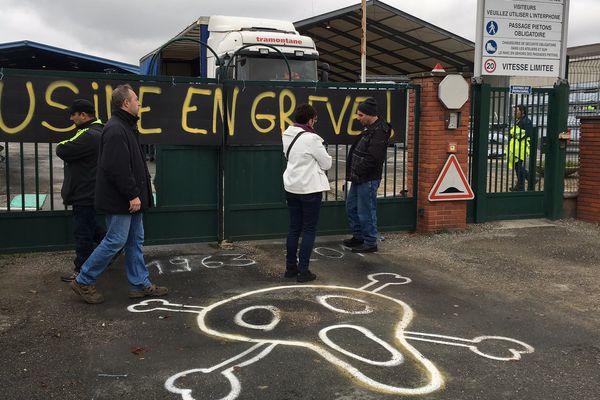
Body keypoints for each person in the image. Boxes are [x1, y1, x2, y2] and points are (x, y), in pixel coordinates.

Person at [71, 84, 167, 304]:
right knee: (115, 241)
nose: (139, 103)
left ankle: (139, 285)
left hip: (131, 199)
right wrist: (132, 195)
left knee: (135, 240)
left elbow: (132, 164)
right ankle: (83, 280)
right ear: (126, 103)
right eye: (136, 99)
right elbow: (116, 167)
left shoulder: (126, 127)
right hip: (122, 200)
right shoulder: (116, 129)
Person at [56, 99, 106, 282]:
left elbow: (62, 148)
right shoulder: (101, 131)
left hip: (84, 191)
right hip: (92, 189)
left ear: (84, 115)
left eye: (74, 114)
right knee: (90, 226)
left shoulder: (88, 134)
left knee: (83, 232)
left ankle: (82, 270)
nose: (71, 118)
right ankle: (113, 246)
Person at [282, 104, 332, 282]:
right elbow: (326, 164)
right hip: (310, 189)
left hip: (291, 186)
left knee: (294, 228)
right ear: (311, 119)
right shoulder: (312, 139)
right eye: (315, 120)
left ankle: (290, 268)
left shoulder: (287, 135)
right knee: (309, 229)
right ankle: (303, 271)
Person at [343, 97, 391, 253]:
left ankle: (370, 241)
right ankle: (358, 237)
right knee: (352, 207)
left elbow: (374, 158)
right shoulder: (371, 128)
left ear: (370, 115)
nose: (358, 118)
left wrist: (359, 170)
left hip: (368, 178)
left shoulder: (379, 131)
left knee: (366, 210)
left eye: (361, 115)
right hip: (359, 177)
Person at [507, 105, 532, 191]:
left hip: (521, 147)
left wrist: (517, 137)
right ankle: (520, 185)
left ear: (522, 112)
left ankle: (529, 179)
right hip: (516, 148)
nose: (514, 113)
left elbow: (528, 133)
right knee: (517, 166)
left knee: (518, 167)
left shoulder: (526, 121)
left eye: (516, 111)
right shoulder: (519, 120)